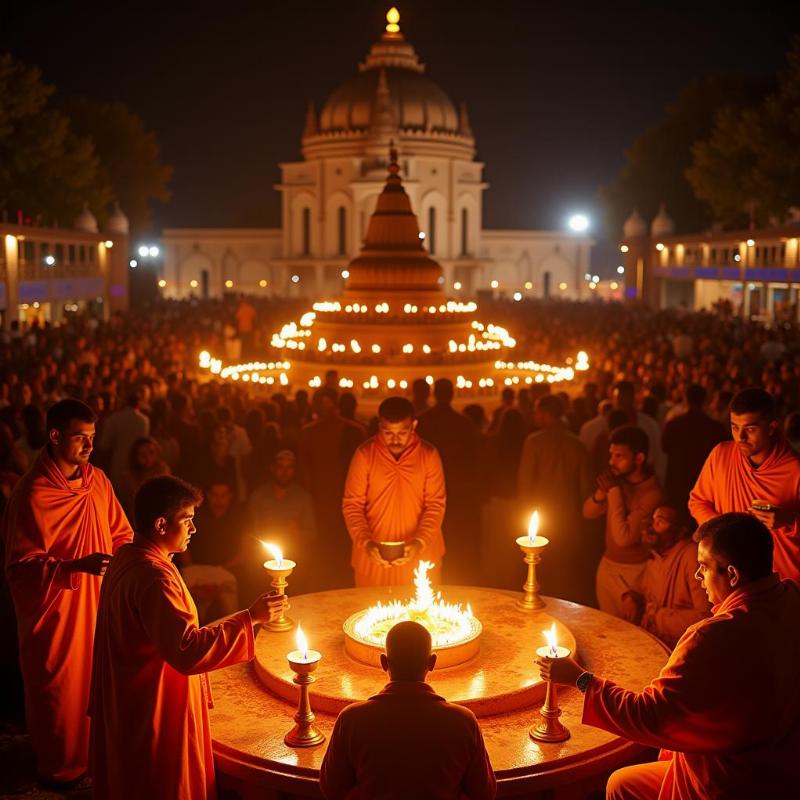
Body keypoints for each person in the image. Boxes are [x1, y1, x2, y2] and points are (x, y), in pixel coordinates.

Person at [537, 513, 800, 800]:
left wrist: (580, 679)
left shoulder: (710, 637)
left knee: (619, 783)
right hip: (780, 768)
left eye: (703, 567)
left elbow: (650, 716)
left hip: (725, 780)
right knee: (622, 784)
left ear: (733, 575)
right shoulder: (791, 599)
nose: (698, 578)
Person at [89, 475, 287, 800]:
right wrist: (251, 618)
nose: (194, 529)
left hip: (128, 695)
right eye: (187, 520)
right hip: (154, 700)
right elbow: (187, 649)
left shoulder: (128, 556)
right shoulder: (154, 578)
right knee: (161, 780)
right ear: (161, 525)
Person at [3, 398, 132, 787]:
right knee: (59, 689)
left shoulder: (98, 481)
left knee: (98, 684)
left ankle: (96, 757)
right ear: (55, 436)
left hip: (98, 603)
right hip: (56, 610)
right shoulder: (32, 495)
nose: (90, 447)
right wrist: (74, 566)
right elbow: (19, 569)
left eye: (93, 437)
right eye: (80, 438)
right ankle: (58, 770)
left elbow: (122, 533)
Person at [320, 621, 496, 800]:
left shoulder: (351, 720)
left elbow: (331, 790)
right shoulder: (462, 722)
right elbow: (484, 794)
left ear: (384, 662)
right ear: (432, 662)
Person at [689, 388, 800, 583]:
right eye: (734, 427)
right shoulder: (721, 455)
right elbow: (698, 502)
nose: (740, 437)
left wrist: (788, 519)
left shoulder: (795, 469)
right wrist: (723, 532)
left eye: (750, 429)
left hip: (784, 581)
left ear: (772, 427)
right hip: (732, 580)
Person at [342, 396, 446, 587]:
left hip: (420, 555)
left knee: (421, 614)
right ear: (379, 425)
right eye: (388, 432)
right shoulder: (365, 455)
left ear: (414, 425)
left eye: (402, 433)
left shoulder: (428, 455)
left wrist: (419, 542)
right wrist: (366, 543)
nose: (395, 440)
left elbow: (435, 505)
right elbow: (352, 505)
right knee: (371, 611)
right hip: (373, 556)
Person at [517, 394, 595, 604]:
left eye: (537, 411)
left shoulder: (534, 442)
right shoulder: (576, 445)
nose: (534, 416)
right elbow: (585, 488)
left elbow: (524, 485)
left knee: (540, 572)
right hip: (569, 518)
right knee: (565, 576)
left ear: (545, 413)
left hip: (540, 519)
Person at [583, 425, 664, 617]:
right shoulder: (619, 483)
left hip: (634, 574)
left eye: (620, 456)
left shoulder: (652, 493)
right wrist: (602, 493)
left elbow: (623, 537)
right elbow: (588, 512)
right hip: (607, 566)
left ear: (639, 458)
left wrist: (613, 491)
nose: (612, 462)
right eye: (611, 455)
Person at [298, 388, 364, 588]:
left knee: (327, 553)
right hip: (335, 501)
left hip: (332, 500)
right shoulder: (355, 430)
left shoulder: (310, 432)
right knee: (338, 554)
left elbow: (304, 470)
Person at [416, 379, 480, 584]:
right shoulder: (464, 423)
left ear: (434, 394)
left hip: (428, 491)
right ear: (452, 394)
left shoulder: (423, 421)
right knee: (457, 543)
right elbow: (474, 460)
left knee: (432, 537)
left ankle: (434, 579)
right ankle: (457, 579)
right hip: (459, 491)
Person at [621, 506, 710, 648]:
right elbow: (641, 589)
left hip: (682, 648)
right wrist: (631, 597)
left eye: (660, 522)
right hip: (652, 642)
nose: (652, 527)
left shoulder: (691, 556)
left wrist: (657, 617)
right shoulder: (658, 555)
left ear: (680, 532)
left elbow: (706, 618)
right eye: (653, 520)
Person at [248, 450, 316, 595]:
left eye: (289, 467)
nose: (284, 472)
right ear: (272, 468)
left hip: (296, 560)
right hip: (264, 562)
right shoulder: (258, 497)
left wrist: (296, 532)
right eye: (280, 467)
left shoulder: (303, 497)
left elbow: (312, 533)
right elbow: (252, 533)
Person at [661, 384, 726, 513]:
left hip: (677, 481)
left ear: (685, 399)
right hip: (704, 483)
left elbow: (664, 447)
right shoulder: (715, 427)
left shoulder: (674, 424)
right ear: (705, 400)